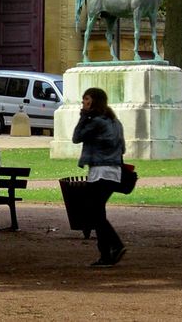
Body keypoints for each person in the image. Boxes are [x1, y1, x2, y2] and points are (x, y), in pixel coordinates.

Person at [72, 87, 126, 267]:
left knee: (94, 212)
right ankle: (106, 254)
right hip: (114, 171)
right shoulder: (115, 122)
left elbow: (76, 137)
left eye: (86, 99)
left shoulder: (96, 122)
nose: (83, 103)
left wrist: (83, 116)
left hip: (100, 171)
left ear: (94, 101)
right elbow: (122, 148)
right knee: (97, 213)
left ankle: (114, 246)